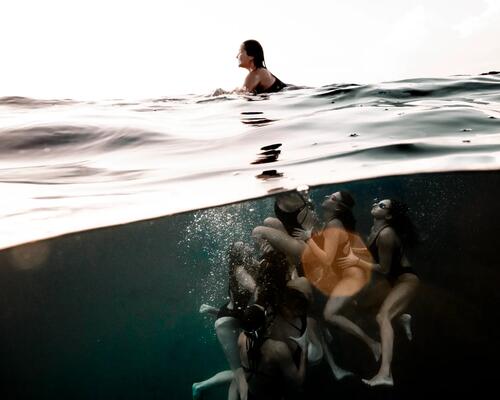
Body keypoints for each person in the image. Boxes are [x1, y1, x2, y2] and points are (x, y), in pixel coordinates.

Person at [356, 199, 420, 387]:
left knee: (382, 316)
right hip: (392, 282)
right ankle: (401, 317)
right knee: (361, 306)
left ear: (389, 216)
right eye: (377, 202)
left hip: (406, 280)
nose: (375, 205)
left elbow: (384, 269)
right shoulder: (374, 232)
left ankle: (385, 374)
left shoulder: (386, 234)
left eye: (382, 206)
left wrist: (357, 261)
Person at [193, 242, 259, 400]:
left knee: (242, 372)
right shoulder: (240, 270)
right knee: (240, 373)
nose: (247, 245)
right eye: (242, 246)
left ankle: (200, 386)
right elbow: (256, 289)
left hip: (234, 318)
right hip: (227, 322)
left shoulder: (251, 266)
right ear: (239, 254)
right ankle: (200, 386)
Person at [238, 304, 308, 400]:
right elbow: (298, 382)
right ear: (265, 322)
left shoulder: (242, 337)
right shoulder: (278, 348)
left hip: (252, 395)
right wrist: (304, 350)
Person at [214, 40, 286, 96]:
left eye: (240, 52)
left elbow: (242, 96)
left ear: (251, 56)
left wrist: (223, 94)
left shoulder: (256, 74)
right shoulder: (261, 72)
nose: (237, 56)